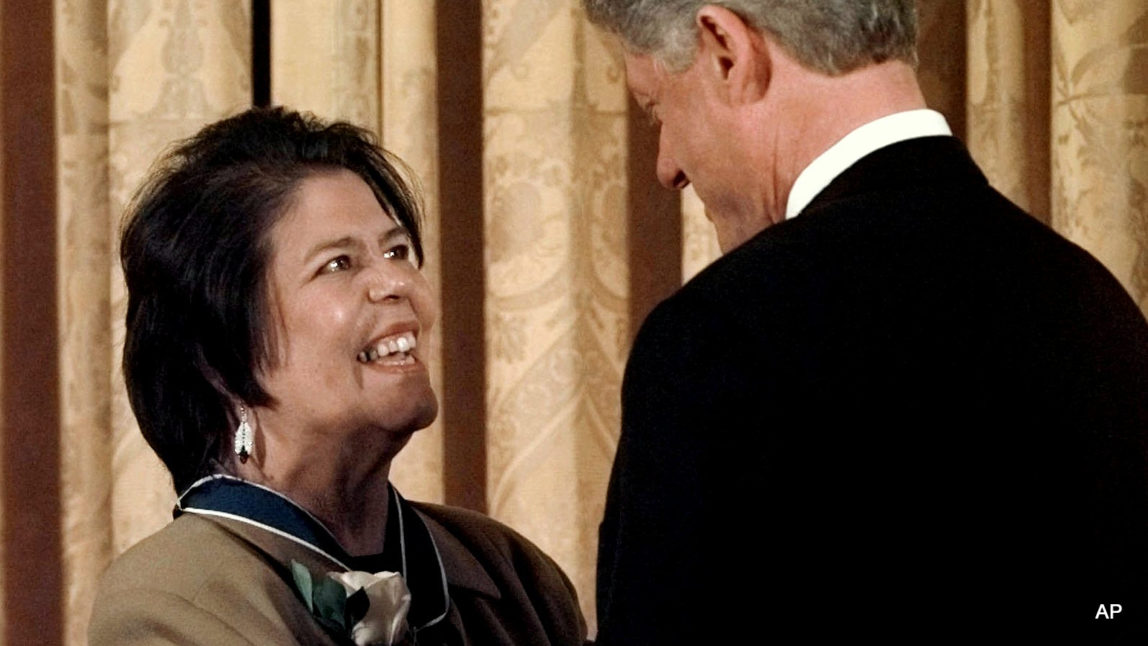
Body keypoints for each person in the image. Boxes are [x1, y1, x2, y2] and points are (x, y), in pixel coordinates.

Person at [582, 1, 1148, 643]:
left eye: (656, 108)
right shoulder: (1100, 307)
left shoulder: (720, 336)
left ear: (725, 50)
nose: (667, 166)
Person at [88, 107, 587, 646]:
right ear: (220, 354)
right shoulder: (167, 604)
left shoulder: (511, 574)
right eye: (338, 264)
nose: (395, 282)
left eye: (397, 251)